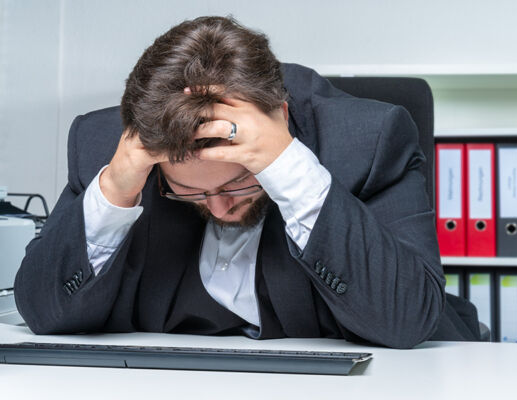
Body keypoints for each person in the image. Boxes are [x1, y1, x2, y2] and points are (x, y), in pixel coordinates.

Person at [14, 16, 479, 348]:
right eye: (190, 190)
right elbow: (43, 312)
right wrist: (116, 189)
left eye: (238, 182)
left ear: (280, 117)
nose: (217, 208)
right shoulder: (107, 146)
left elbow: (406, 318)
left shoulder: (370, 140)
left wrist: (286, 167)